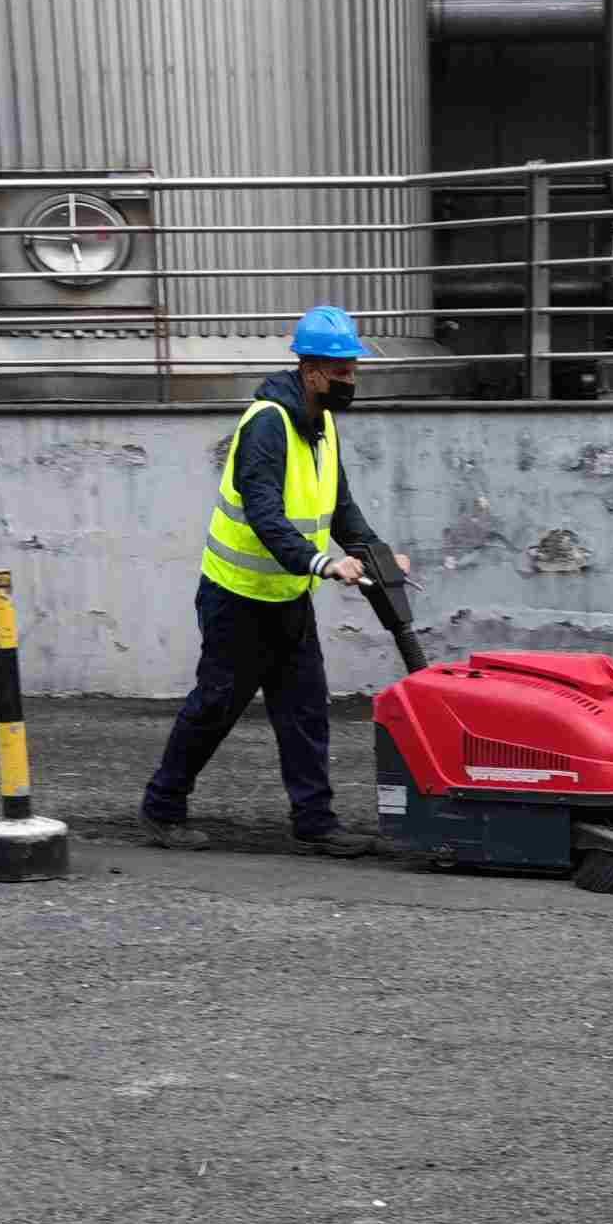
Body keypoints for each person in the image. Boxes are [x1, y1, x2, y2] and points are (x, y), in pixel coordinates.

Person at [138, 305, 409, 857]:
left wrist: (375, 555)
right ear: (311, 372)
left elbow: (340, 507)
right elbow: (265, 516)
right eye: (342, 372)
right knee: (215, 706)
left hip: (286, 598)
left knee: (305, 709)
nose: (351, 381)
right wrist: (322, 564)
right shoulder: (268, 424)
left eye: (353, 370)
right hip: (236, 600)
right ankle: (162, 806)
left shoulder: (323, 424)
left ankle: (315, 822)